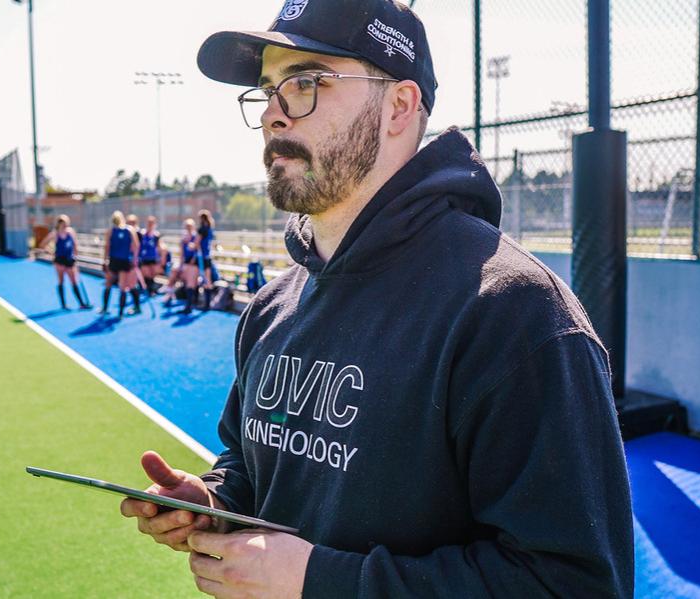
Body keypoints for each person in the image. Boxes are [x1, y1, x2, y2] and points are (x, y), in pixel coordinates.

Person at [121, 1, 633, 598]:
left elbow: (573, 584)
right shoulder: (272, 307)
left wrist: (320, 581)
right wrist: (214, 501)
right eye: (267, 92)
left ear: (399, 107)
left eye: (306, 82)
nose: (273, 116)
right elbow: (253, 465)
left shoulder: (511, 311)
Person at [37, 214, 90, 310]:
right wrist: (51, 252)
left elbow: (75, 245)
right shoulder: (55, 233)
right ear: (59, 223)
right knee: (61, 281)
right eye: (63, 223)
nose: (65, 225)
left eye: (66, 223)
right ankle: (63, 304)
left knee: (74, 281)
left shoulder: (71, 232)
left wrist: (75, 257)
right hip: (59, 260)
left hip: (70, 260)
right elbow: (42, 244)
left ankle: (81, 303)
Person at [101, 211, 140, 318]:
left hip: (116, 261)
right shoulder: (129, 230)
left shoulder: (112, 231)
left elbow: (107, 247)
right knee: (122, 287)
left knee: (110, 284)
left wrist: (104, 261)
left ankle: (106, 309)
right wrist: (134, 259)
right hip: (122, 261)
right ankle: (120, 313)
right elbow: (136, 246)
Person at [139, 215, 166, 296]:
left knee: (152, 274)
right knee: (146, 274)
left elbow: (160, 246)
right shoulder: (142, 234)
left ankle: (150, 291)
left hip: (153, 257)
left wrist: (162, 256)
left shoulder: (156, 235)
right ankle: (146, 289)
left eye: (152, 223)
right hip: (144, 257)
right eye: (149, 223)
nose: (150, 225)